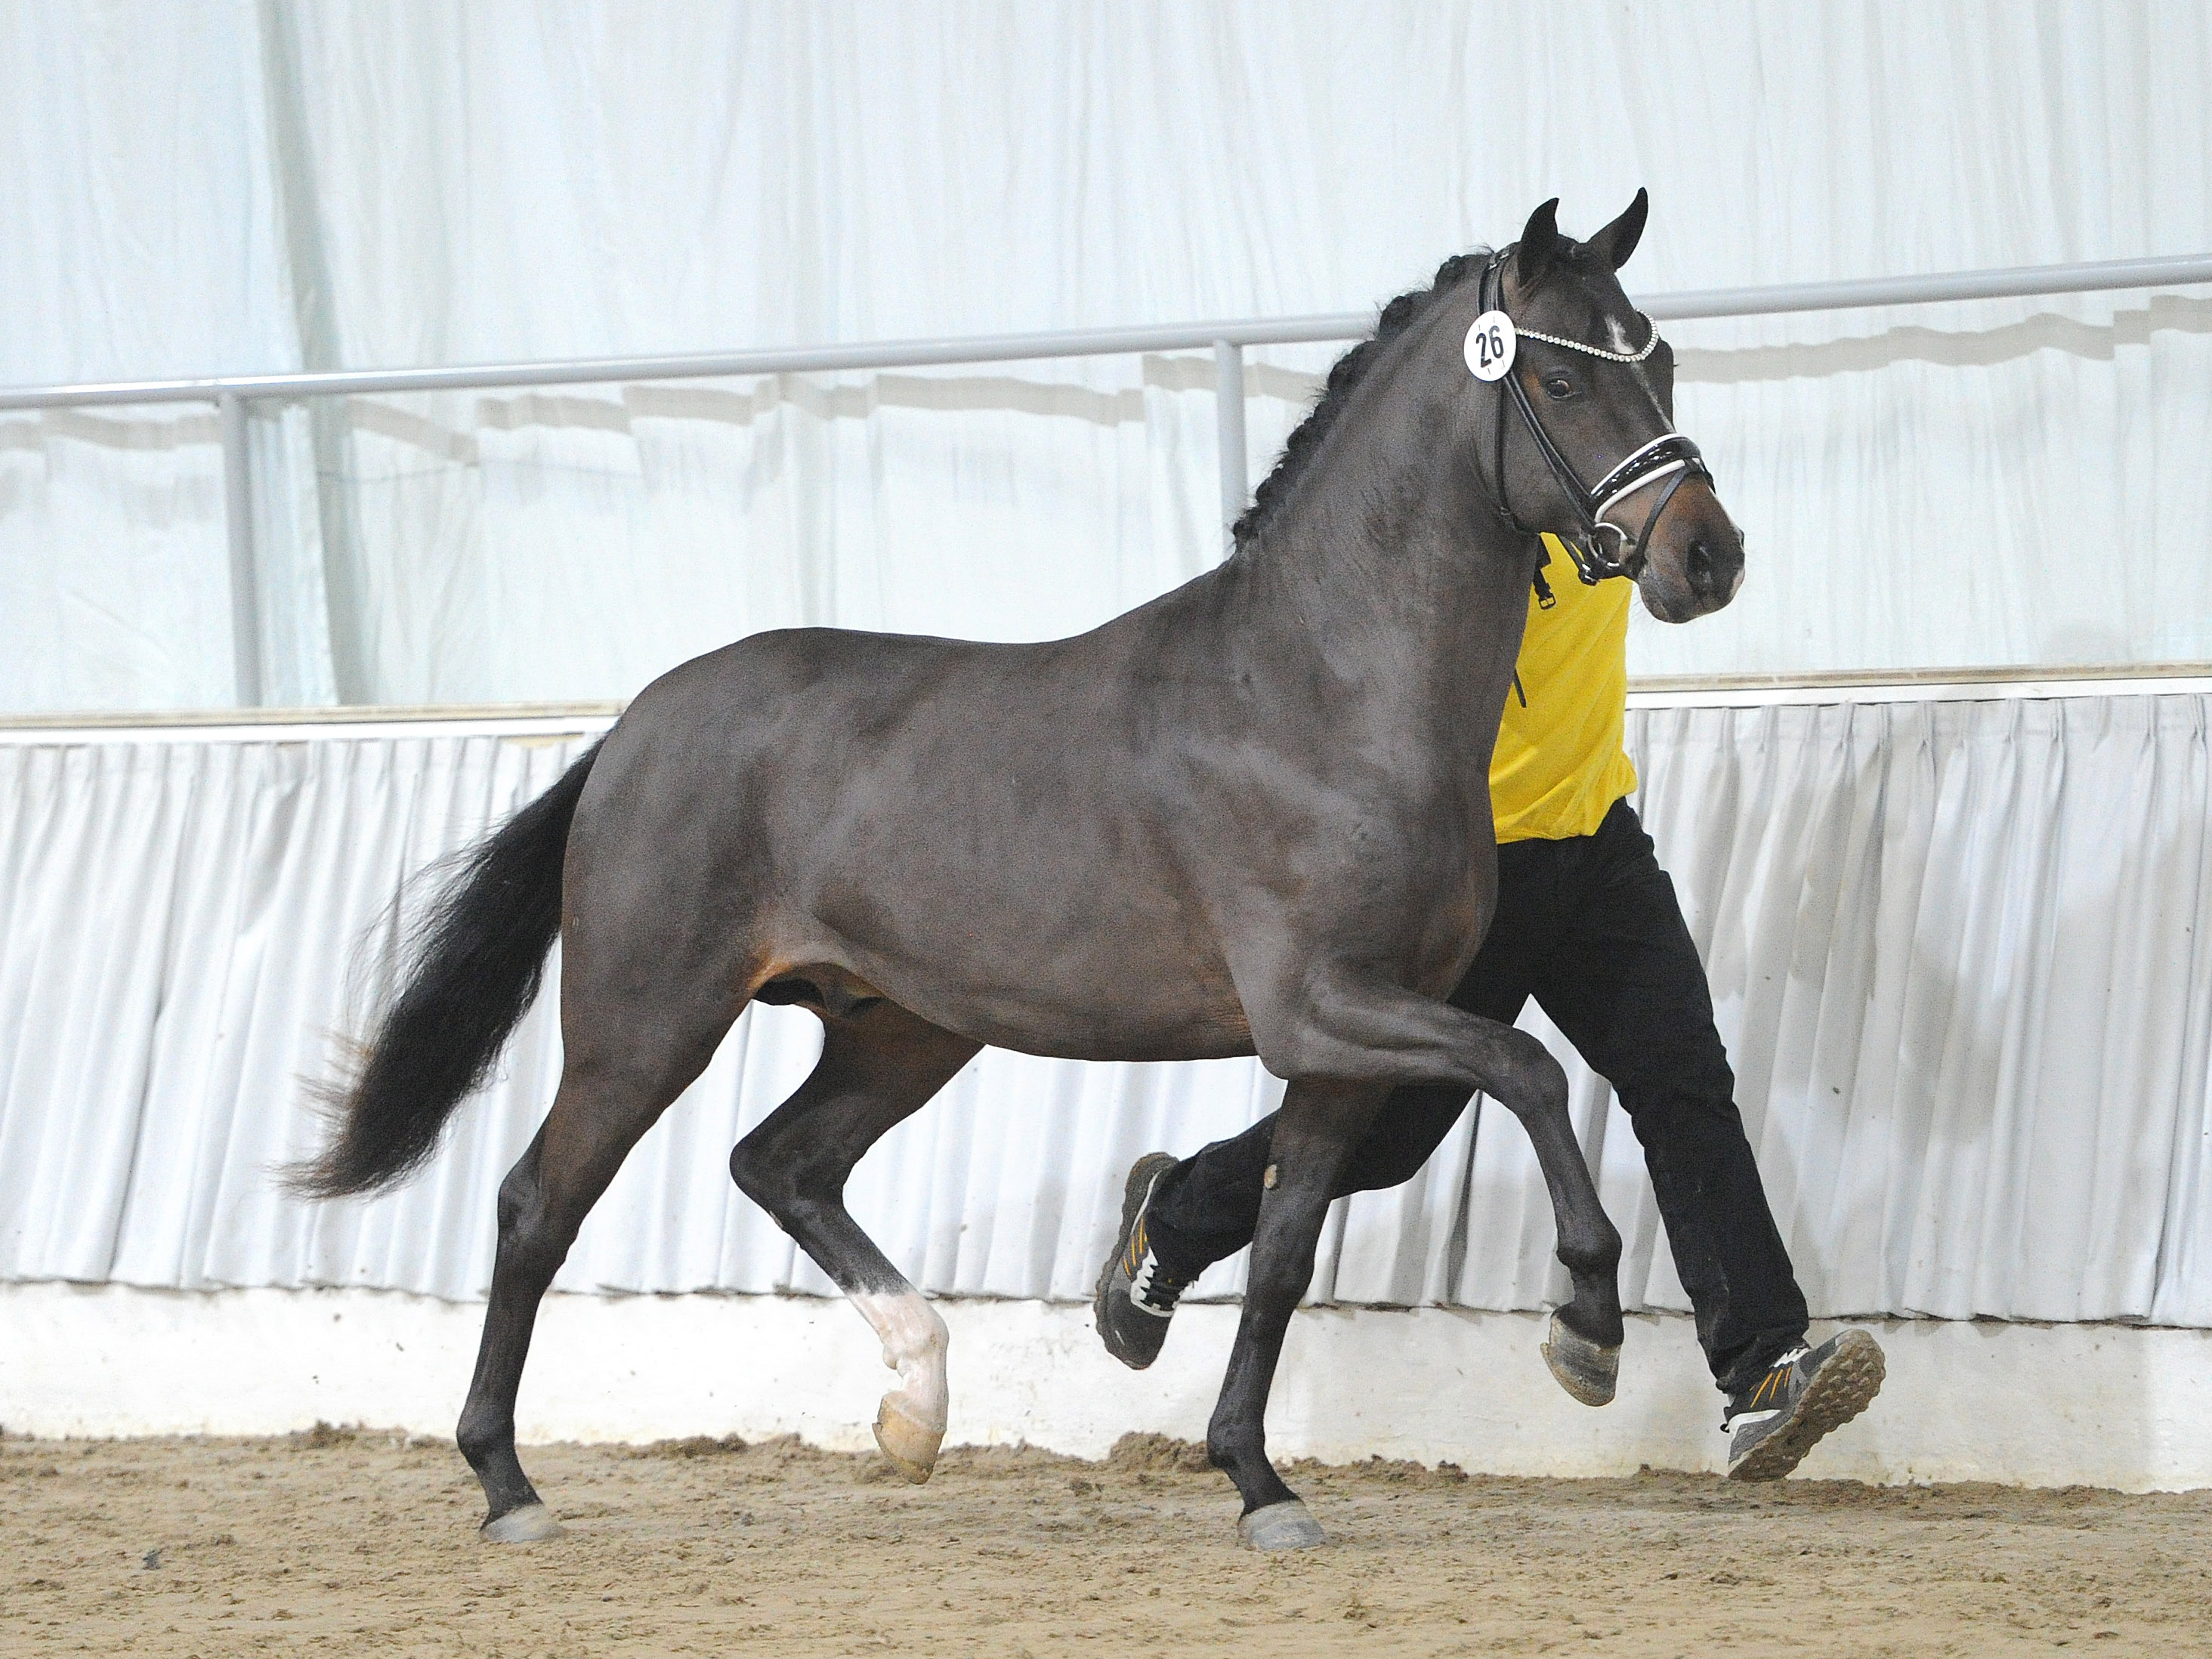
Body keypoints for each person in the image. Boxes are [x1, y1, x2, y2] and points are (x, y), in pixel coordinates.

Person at [1094, 533, 1884, 1480]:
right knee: (1383, 1144)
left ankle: (1761, 1370)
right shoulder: (1457, 528)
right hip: (1465, 869)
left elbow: (1688, 557)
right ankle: (1176, 1216)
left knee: (1686, 1091)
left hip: (1597, 843)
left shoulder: (1608, 500)